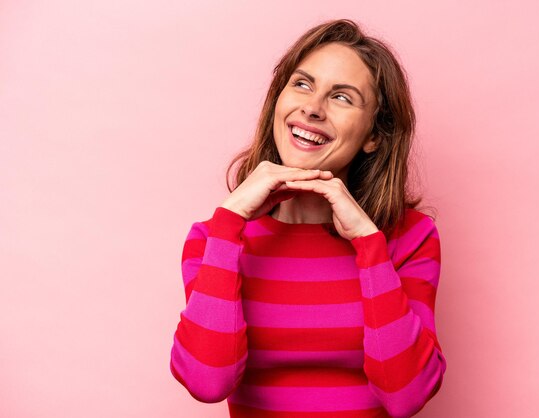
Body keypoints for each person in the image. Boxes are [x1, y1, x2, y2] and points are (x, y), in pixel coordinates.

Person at [170, 19, 447, 418]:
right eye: (301, 84)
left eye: (342, 97)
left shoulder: (412, 237)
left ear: (374, 135)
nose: (312, 108)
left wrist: (369, 244)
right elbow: (207, 382)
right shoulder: (213, 239)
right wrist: (229, 223)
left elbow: (407, 395)